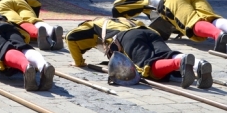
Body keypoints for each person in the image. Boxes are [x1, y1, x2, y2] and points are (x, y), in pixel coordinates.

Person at [65, 17, 213, 89]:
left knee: (147, 67)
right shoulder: (122, 19)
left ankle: (180, 63)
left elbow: (71, 37)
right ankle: (198, 63)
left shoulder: (90, 24)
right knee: (166, 54)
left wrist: (79, 62)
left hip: (126, 38)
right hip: (148, 31)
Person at [112, 0, 227, 56]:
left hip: (172, 1)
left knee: (191, 24)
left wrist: (121, 16)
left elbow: (117, 6)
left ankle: (218, 35)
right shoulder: (165, 1)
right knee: (210, 18)